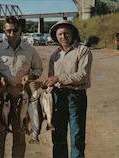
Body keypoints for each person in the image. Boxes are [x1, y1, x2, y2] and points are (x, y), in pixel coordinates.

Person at [0, 16, 43, 158]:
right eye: (8, 31)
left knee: (19, 134)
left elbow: (38, 69)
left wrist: (30, 77)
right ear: (4, 31)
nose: (12, 34)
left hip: (22, 96)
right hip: (1, 95)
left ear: (20, 30)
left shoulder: (30, 51)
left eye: (15, 30)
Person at [45, 19, 93, 158]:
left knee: (77, 135)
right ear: (56, 36)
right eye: (60, 34)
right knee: (58, 136)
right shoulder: (54, 55)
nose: (63, 37)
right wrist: (44, 84)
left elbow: (82, 76)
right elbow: (51, 78)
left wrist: (58, 78)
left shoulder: (83, 50)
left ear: (72, 34)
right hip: (57, 97)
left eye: (66, 33)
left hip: (76, 97)